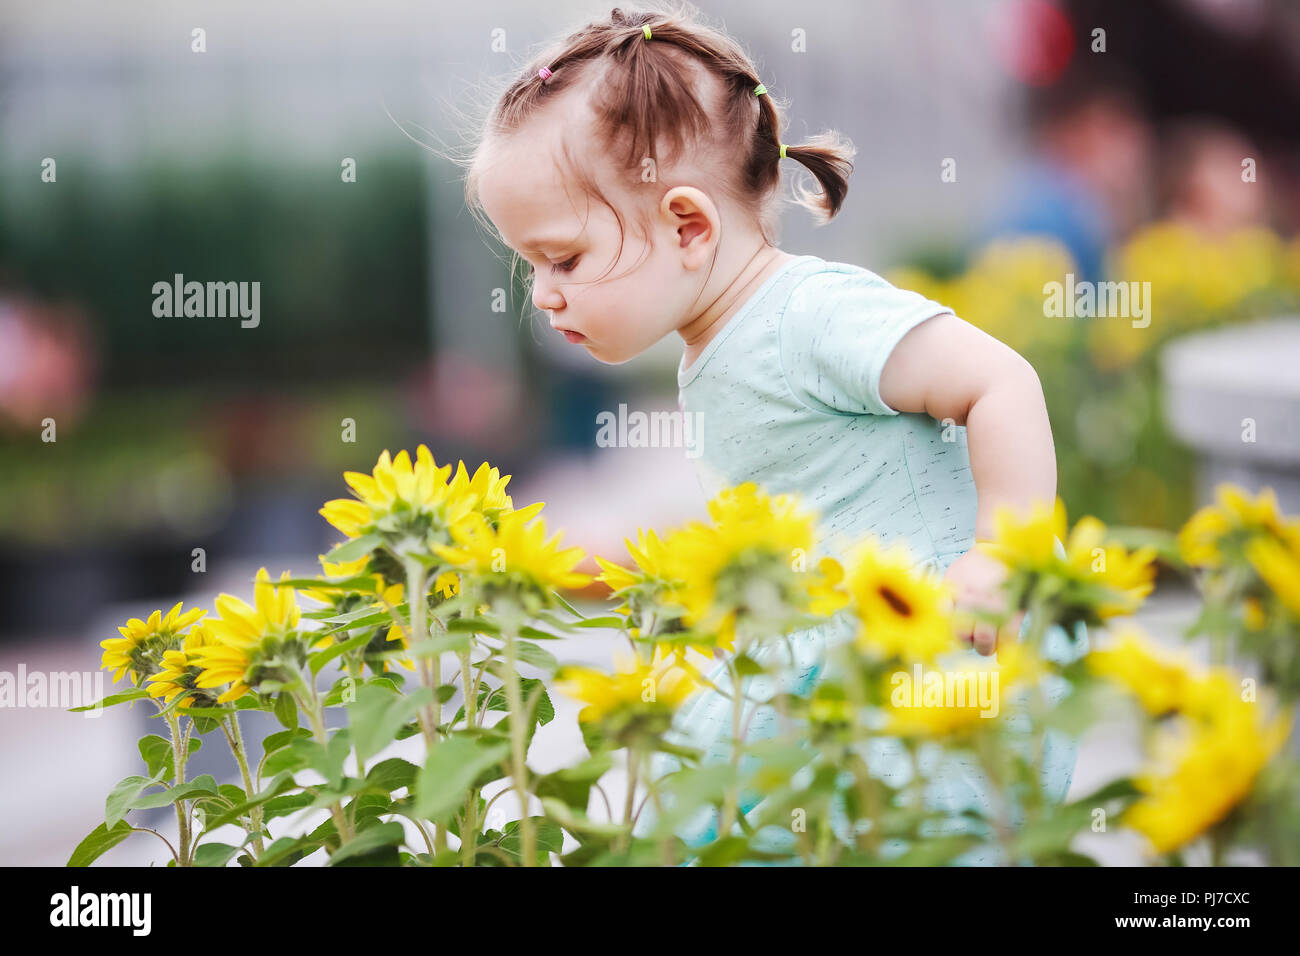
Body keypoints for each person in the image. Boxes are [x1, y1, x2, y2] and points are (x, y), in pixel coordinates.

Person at [458, 3, 1085, 864]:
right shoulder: (717, 341)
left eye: (562, 258)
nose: (543, 293)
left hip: (936, 656)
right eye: (529, 265)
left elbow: (1002, 382)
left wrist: (1003, 555)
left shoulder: (810, 313)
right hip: (837, 669)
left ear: (688, 226)